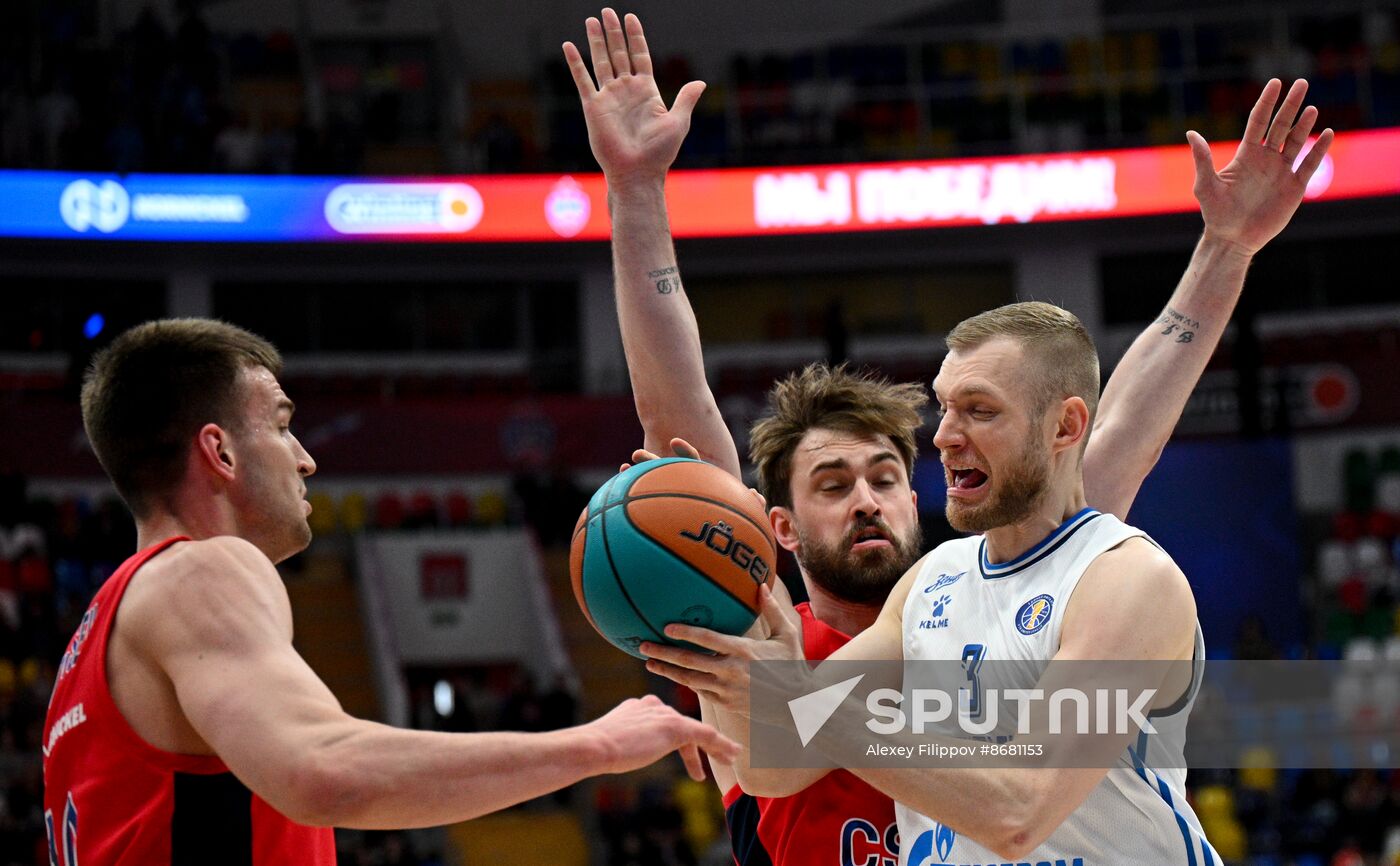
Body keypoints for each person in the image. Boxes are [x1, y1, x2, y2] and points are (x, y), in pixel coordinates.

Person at [562, 9, 1332, 865]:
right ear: (770, 527)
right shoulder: (764, 621)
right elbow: (683, 443)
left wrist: (1225, 249)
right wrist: (634, 193)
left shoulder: (1032, 573)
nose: (868, 498)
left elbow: (1119, 426)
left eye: (886, 474)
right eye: (831, 483)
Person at [41, 319, 739, 865]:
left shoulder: (91, 644)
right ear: (219, 452)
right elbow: (324, 771)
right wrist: (598, 744)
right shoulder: (203, 570)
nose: (307, 457)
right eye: (283, 426)